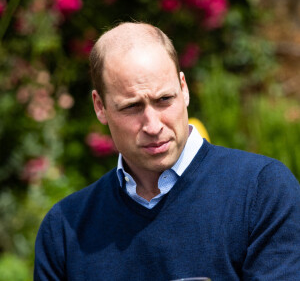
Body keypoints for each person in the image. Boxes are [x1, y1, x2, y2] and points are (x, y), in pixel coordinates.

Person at [34, 22, 300, 281]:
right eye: (131, 107)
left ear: (183, 89)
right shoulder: (64, 228)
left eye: (164, 100)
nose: (153, 125)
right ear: (100, 106)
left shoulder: (263, 190)